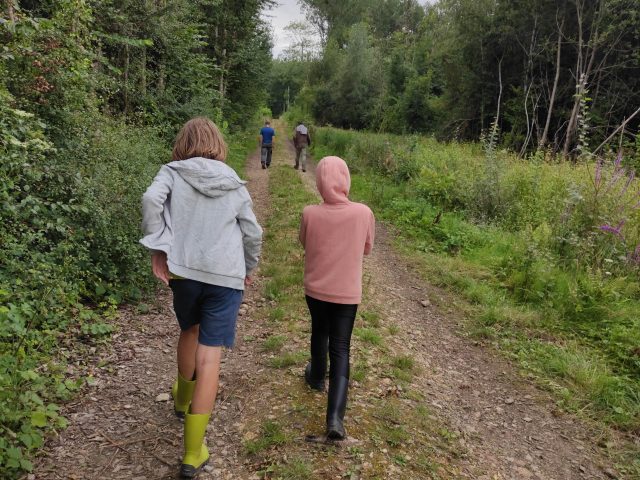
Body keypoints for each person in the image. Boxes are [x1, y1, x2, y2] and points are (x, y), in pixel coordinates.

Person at [140, 117, 262, 478]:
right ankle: (193, 453)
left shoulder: (172, 172)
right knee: (211, 359)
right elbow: (253, 234)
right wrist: (248, 267)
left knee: (188, 330)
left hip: (185, 272)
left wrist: (159, 245)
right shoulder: (234, 182)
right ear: (218, 144)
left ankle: (180, 399)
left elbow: (150, 199)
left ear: (183, 142)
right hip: (225, 277)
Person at [299, 156, 375, 440]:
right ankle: (335, 420)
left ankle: (317, 376)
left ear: (319, 181)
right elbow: (367, 248)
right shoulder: (363, 213)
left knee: (319, 330)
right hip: (347, 293)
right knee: (341, 347)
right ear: (345, 179)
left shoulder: (309, 212)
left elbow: (304, 242)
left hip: (315, 289)